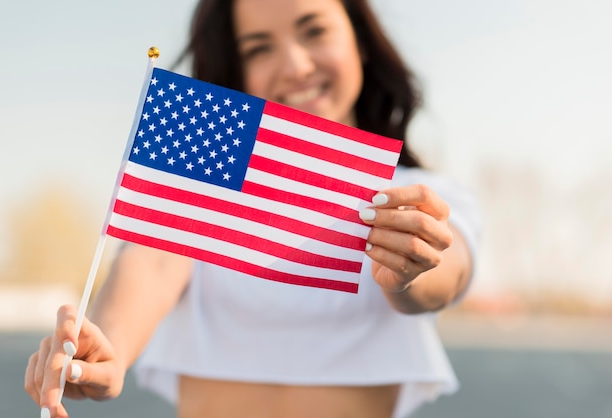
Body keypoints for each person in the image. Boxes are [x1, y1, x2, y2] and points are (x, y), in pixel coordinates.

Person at [25, 0, 480, 417]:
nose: (296, 65)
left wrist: (411, 268)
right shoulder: (208, 167)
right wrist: (109, 343)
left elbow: (448, 270)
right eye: (258, 48)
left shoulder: (417, 193)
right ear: (235, 68)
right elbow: (155, 259)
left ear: (359, 39)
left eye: (314, 31)